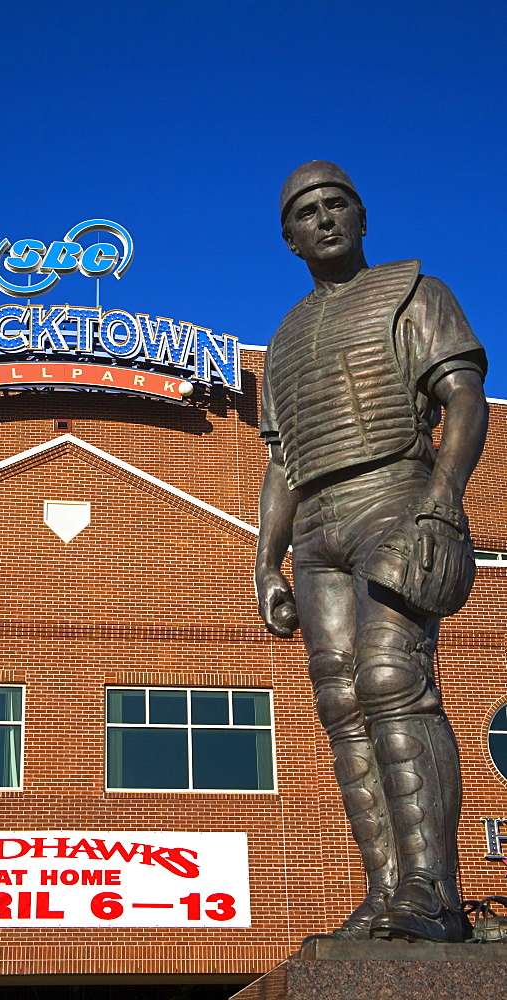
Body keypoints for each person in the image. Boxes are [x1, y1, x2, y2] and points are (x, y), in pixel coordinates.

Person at [256, 161, 488, 943]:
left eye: (336, 205)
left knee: (393, 679)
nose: (323, 219)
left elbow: (461, 399)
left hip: (395, 490)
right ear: (288, 238)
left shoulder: (415, 293)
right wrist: (265, 560)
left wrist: (442, 499)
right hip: (317, 524)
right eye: (306, 213)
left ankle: (433, 888)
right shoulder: (284, 338)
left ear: (361, 217)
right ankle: (386, 889)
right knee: (341, 703)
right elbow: (281, 460)